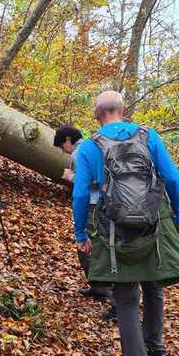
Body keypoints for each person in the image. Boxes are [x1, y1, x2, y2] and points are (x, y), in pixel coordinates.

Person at [72, 91, 179, 356]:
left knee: (126, 302)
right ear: (123, 111)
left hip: (114, 230)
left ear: (97, 114)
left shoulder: (89, 146)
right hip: (154, 223)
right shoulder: (148, 136)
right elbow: (173, 179)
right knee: (154, 287)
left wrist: (80, 233)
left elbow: (81, 194)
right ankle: (155, 354)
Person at [54, 124, 113, 309]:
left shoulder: (79, 153)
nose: (63, 151)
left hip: (94, 205)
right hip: (107, 203)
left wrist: (71, 177)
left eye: (62, 146)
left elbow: (88, 184)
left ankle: (103, 289)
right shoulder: (94, 146)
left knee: (86, 247)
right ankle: (99, 287)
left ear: (68, 140)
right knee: (98, 246)